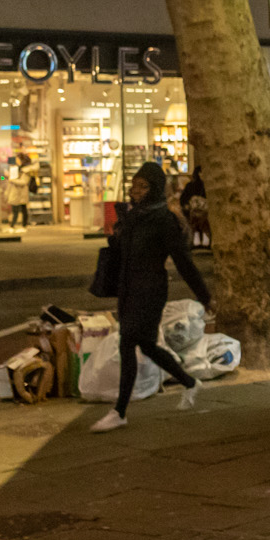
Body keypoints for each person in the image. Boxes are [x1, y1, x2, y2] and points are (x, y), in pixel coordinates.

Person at [91, 161, 208, 433]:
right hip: (128, 288)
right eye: (134, 186)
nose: (136, 191)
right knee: (146, 346)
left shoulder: (163, 220)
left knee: (128, 341)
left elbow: (183, 262)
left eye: (142, 186)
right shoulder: (135, 216)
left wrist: (204, 295)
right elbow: (123, 251)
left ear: (154, 188)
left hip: (150, 290)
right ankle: (190, 382)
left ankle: (119, 411)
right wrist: (120, 228)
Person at [179, 163, 211, 249]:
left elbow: (183, 199)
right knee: (201, 222)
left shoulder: (193, 186)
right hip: (199, 211)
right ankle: (204, 241)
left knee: (198, 222)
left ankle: (198, 241)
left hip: (198, 212)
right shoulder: (194, 186)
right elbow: (183, 199)